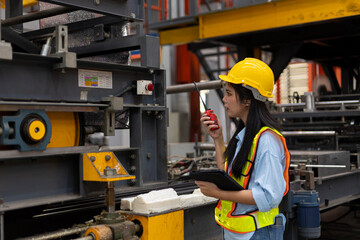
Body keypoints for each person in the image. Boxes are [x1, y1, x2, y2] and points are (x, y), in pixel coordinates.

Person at [196, 58, 290, 240]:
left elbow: (267, 197)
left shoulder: (267, 141)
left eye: (229, 93)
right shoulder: (246, 136)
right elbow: (229, 176)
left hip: (260, 233)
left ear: (247, 99)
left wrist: (217, 193)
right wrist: (218, 139)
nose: (224, 99)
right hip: (239, 233)